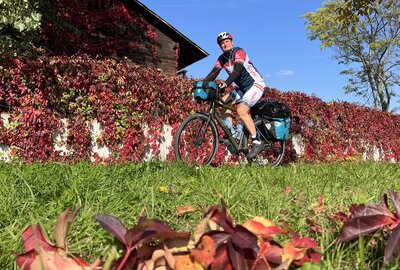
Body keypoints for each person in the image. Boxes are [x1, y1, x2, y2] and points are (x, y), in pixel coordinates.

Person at [204, 31, 266, 159]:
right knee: (220, 104)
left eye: (226, 41)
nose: (224, 44)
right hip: (242, 88)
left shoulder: (239, 51)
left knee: (241, 111)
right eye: (222, 43)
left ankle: (257, 141)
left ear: (231, 42)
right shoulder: (222, 59)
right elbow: (214, 73)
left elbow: (237, 70)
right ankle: (233, 135)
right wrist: (202, 84)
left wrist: (226, 84)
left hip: (255, 84)